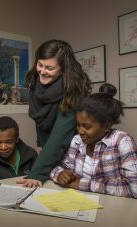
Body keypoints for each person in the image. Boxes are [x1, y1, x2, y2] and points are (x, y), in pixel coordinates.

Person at [17, 39, 91, 187]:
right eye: (40, 65)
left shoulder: (73, 92)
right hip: (48, 153)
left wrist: (36, 174)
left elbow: (59, 136)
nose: (42, 72)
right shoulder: (35, 82)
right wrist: (40, 143)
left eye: (49, 68)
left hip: (72, 156)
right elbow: (40, 118)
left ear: (63, 69)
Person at [50, 92, 137, 198]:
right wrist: (59, 174)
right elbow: (57, 167)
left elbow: (133, 188)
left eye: (86, 127)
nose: (80, 131)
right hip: (79, 201)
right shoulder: (77, 140)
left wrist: (81, 184)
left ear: (106, 126)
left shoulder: (122, 142)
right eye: (78, 125)